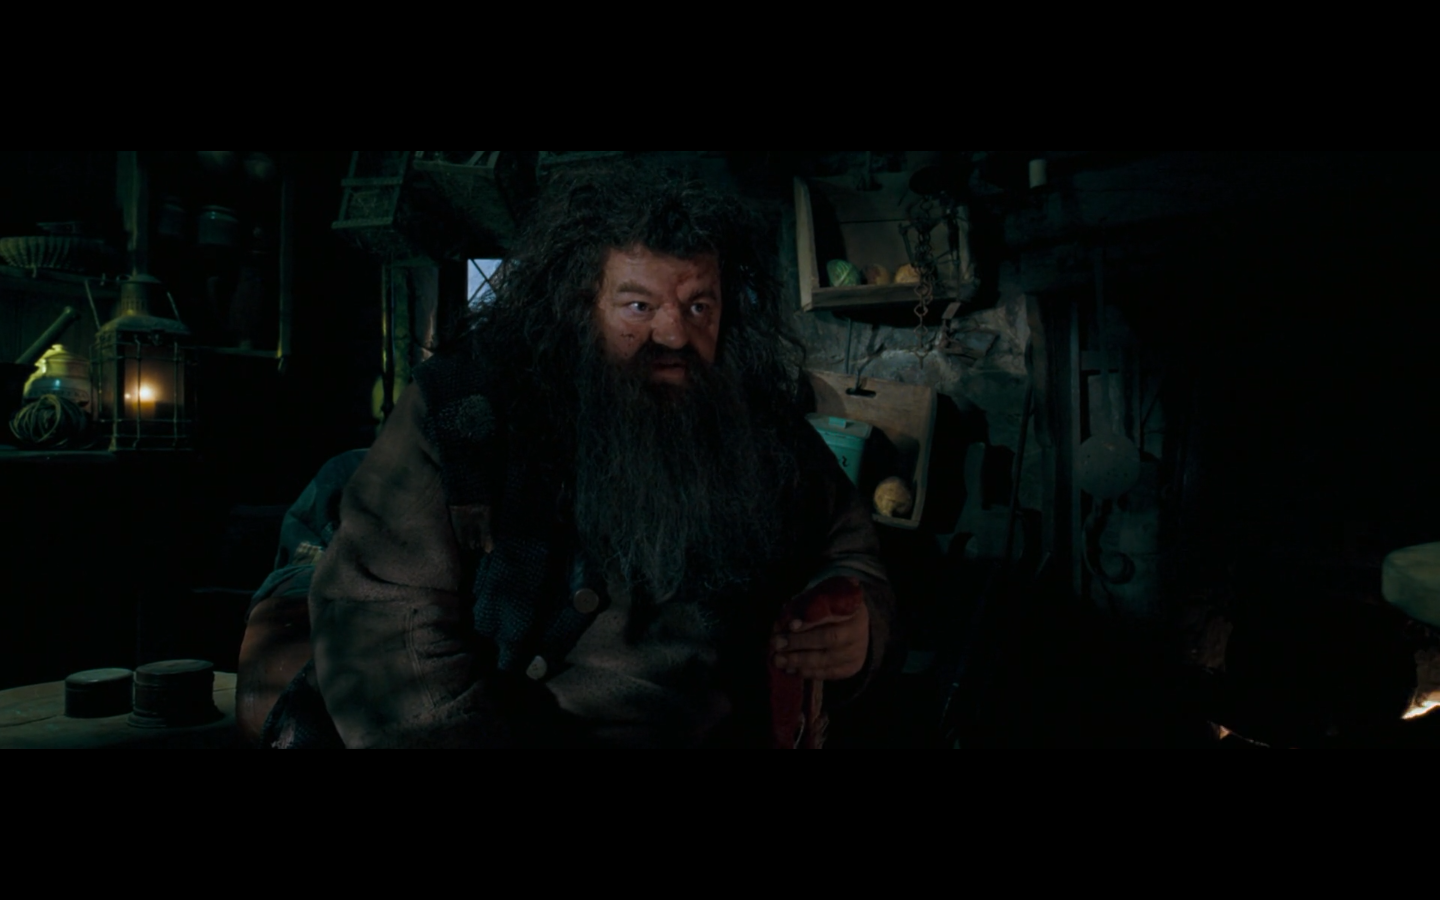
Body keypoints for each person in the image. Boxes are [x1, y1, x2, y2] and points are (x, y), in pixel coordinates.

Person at [244, 165, 897, 749]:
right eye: (639, 306)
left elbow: (846, 546)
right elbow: (381, 622)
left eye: (700, 305)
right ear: (580, 305)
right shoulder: (462, 412)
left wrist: (858, 625)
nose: (675, 334)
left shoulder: (758, 426)